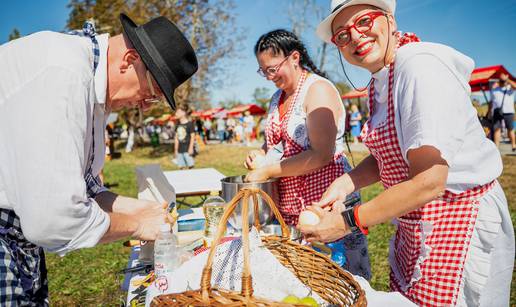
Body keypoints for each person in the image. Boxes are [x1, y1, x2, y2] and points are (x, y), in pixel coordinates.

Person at [299, 1, 514, 306]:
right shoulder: (380, 79)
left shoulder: (418, 66)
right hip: (418, 220)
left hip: (459, 217)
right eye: (342, 36)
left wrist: (347, 220)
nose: (356, 37)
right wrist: (345, 184)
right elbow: (394, 152)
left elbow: (430, 181)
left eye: (364, 21)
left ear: (388, 19)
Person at [0, 14, 197, 305]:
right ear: (129, 60)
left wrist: (143, 210)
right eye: (151, 92)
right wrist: (137, 226)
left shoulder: (88, 84)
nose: (144, 105)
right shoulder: (64, 73)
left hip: (19, 241)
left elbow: (88, 188)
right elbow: (53, 220)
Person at [245, 29, 370, 279]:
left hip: (325, 205)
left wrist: (267, 170)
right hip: (291, 210)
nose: (269, 77)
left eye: (273, 68)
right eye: (264, 71)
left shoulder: (318, 91)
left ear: (294, 57)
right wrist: (258, 153)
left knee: (337, 283)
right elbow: (277, 143)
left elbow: (322, 154)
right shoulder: (276, 98)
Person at [490, 72, 515, 150]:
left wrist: (507, 79)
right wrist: (490, 112)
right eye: (501, 80)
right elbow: (491, 102)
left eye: (503, 80)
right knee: (496, 129)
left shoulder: (509, 89)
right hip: (497, 112)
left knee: (510, 129)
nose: (502, 82)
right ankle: (496, 147)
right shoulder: (494, 90)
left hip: (509, 112)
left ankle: (513, 145)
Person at [174, 103, 195, 169]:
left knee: (190, 166)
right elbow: (176, 138)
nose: (176, 113)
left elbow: (192, 137)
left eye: (178, 112)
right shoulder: (177, 125)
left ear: (183, 113)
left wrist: (191, 148)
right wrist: (176, 150)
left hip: (187, 149)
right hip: (180, 150)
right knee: (181, 166)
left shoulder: (190, 124)